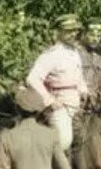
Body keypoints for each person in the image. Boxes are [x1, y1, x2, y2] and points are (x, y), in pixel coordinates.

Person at [25, 14, 90, 152]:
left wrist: (83, 90)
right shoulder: (51, 55)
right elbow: (32, 79)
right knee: (64, 142)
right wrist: (49, 100)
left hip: (77, 104)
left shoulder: (75, 52)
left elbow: (78, 77)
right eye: (68, 31)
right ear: (59, 32)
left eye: (75, 30)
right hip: (59, 106)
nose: (73, 34)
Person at [80, 21, 101, 108]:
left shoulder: (99, 58)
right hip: (78, 105)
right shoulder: (75, 55)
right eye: (92, 35)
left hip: (95, 105)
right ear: (84, 34)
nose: (95, 39)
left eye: (98, 36)